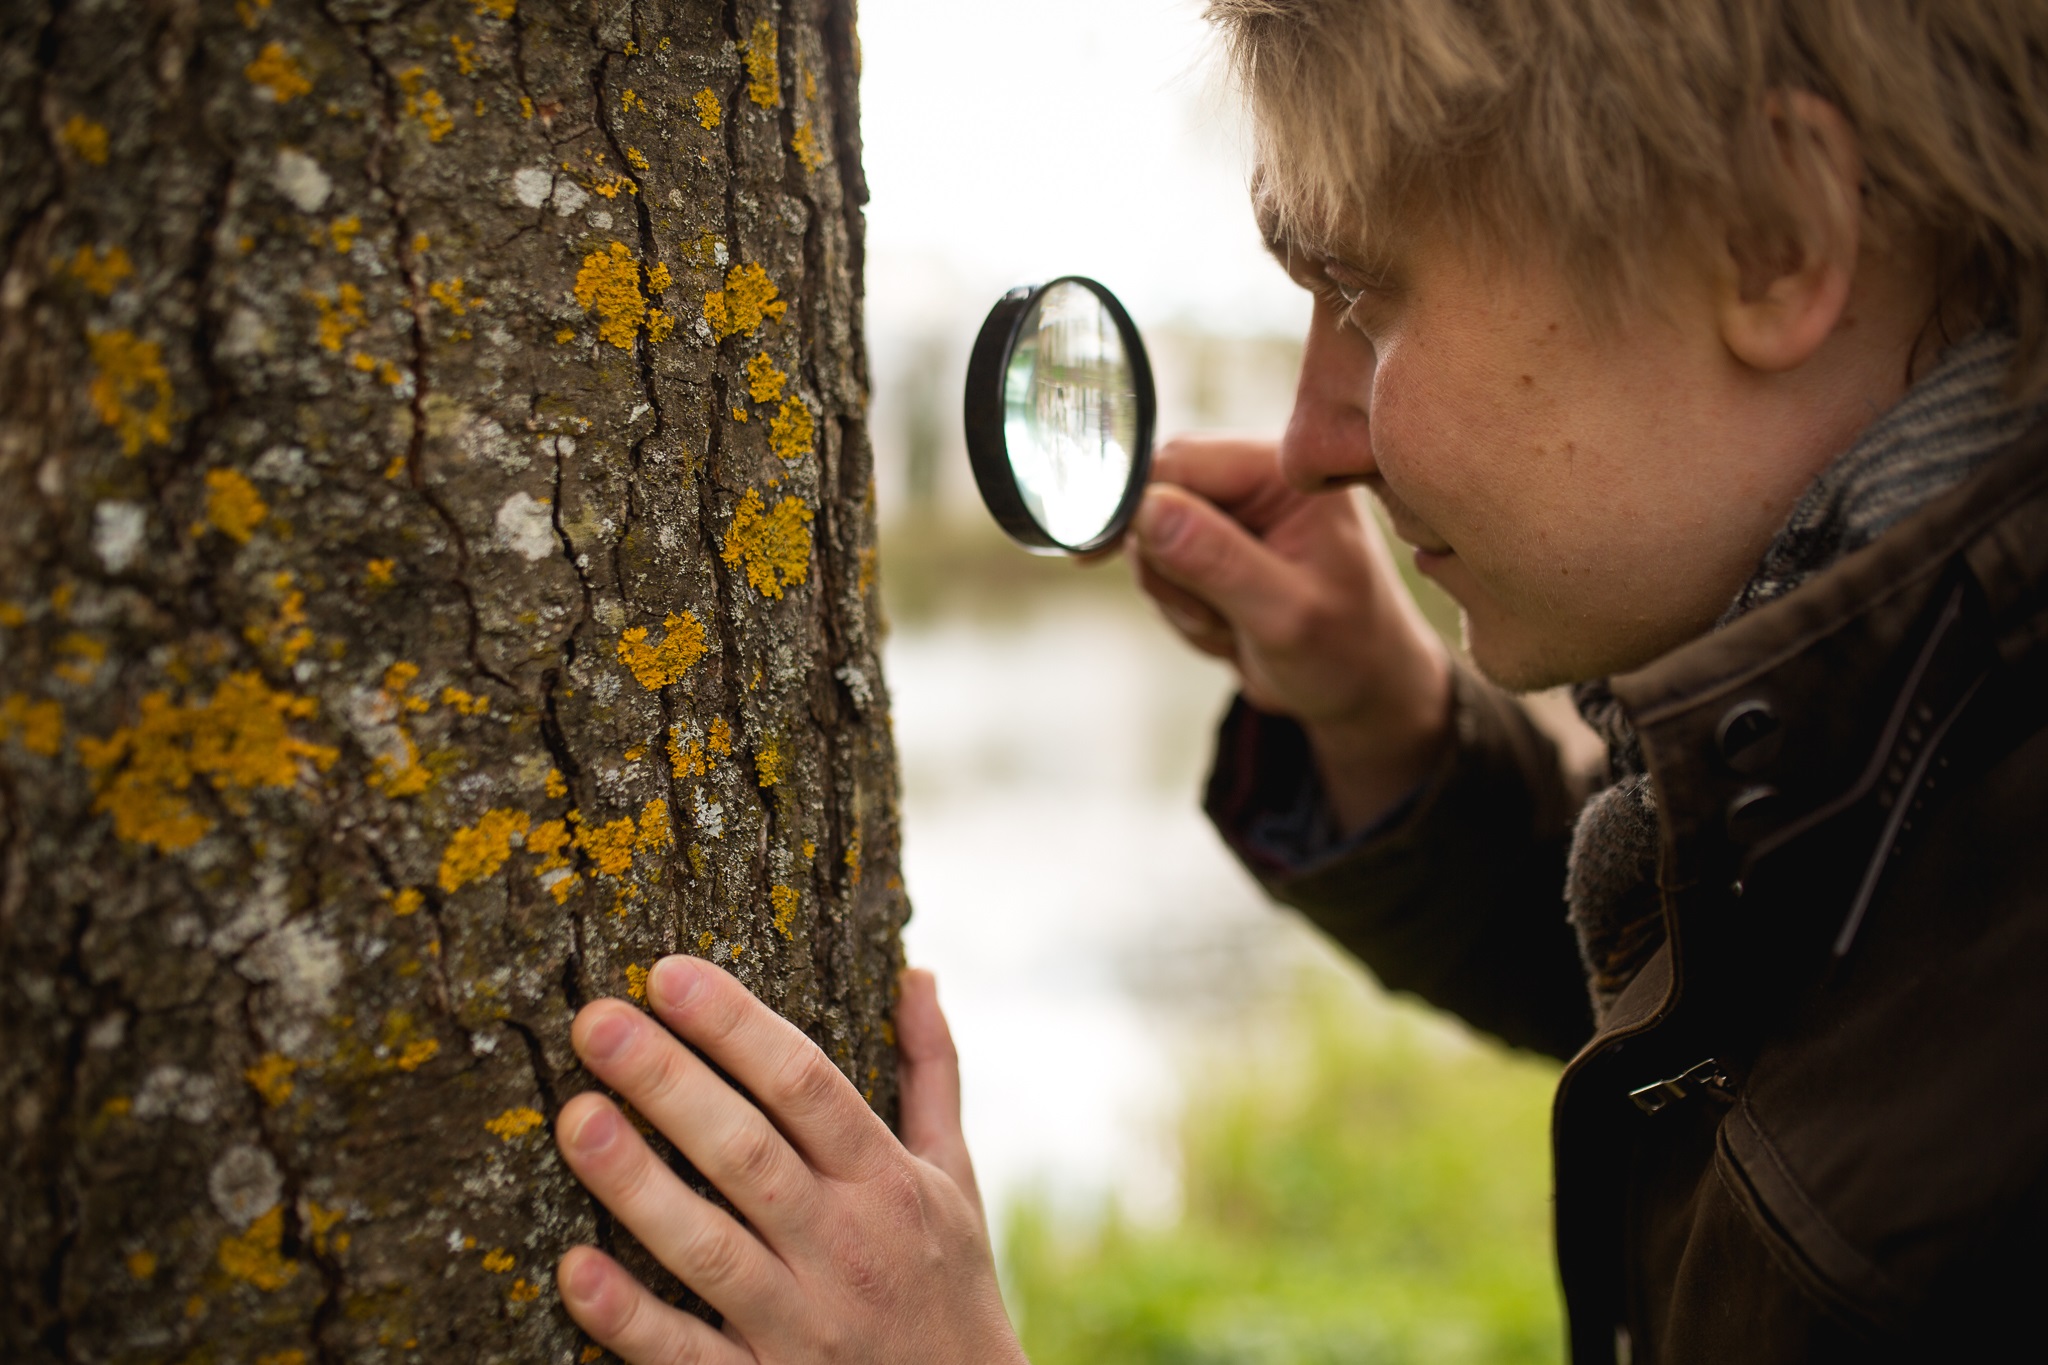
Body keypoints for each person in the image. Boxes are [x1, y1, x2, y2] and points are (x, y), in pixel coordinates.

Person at [543, 2, 2048, 1361]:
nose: (1320, 435)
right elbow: (1751, 996)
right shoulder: (1944, 785)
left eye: (1368, 300)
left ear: (1771, 232)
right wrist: (1389, 730)